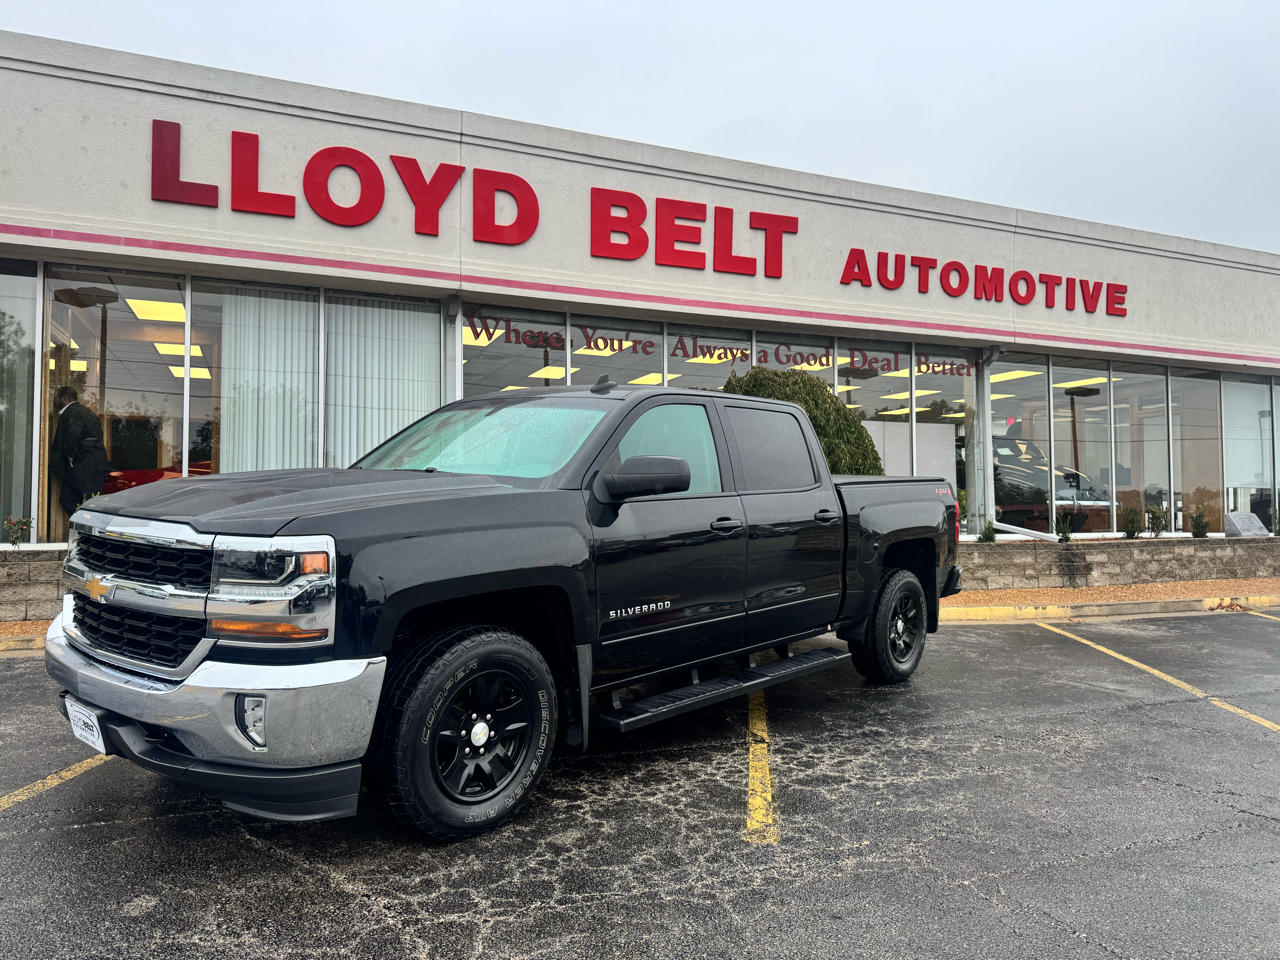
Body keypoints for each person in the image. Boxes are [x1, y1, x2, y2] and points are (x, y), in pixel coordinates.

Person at [49, 386, 108, 517]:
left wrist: (71, 454)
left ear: (64, 399)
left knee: (86, 502)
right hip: (91, 462)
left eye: (56, 398)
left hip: (83, 463)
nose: (53, 401)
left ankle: (89, 529)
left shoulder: (73, 412)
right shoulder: (87, 412)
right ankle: (84, 527)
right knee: (71, 499)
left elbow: (73, 432)